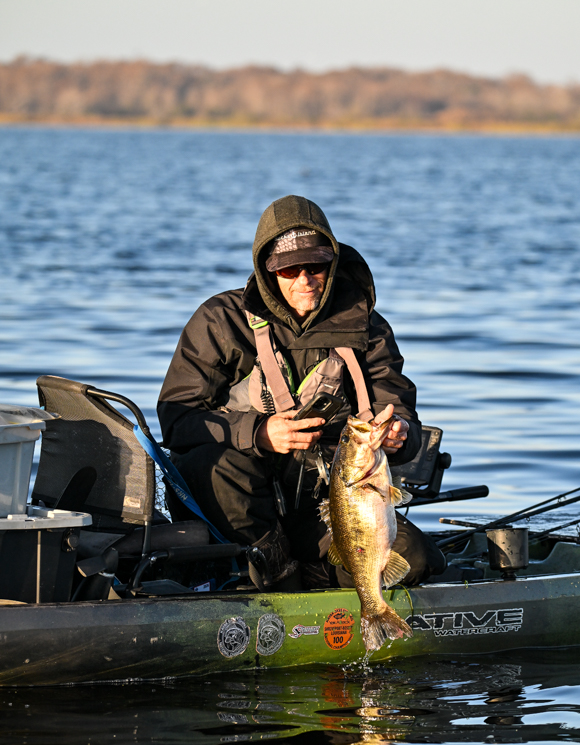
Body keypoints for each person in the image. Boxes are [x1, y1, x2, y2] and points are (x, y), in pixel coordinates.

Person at [158, 195, 444, 588]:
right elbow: (176, 421)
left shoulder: (368, 327)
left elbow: (400, 413)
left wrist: (401, 436)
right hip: (244, 504)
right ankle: (278, 571)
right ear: (267, 270)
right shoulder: (219, 321)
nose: (304, 281)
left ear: (333, 263)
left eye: (316, 266)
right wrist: (258, 433)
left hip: (333, 503)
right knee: (213, 465)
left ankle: (329, 578)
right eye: (289, 270)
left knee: (417, 560)